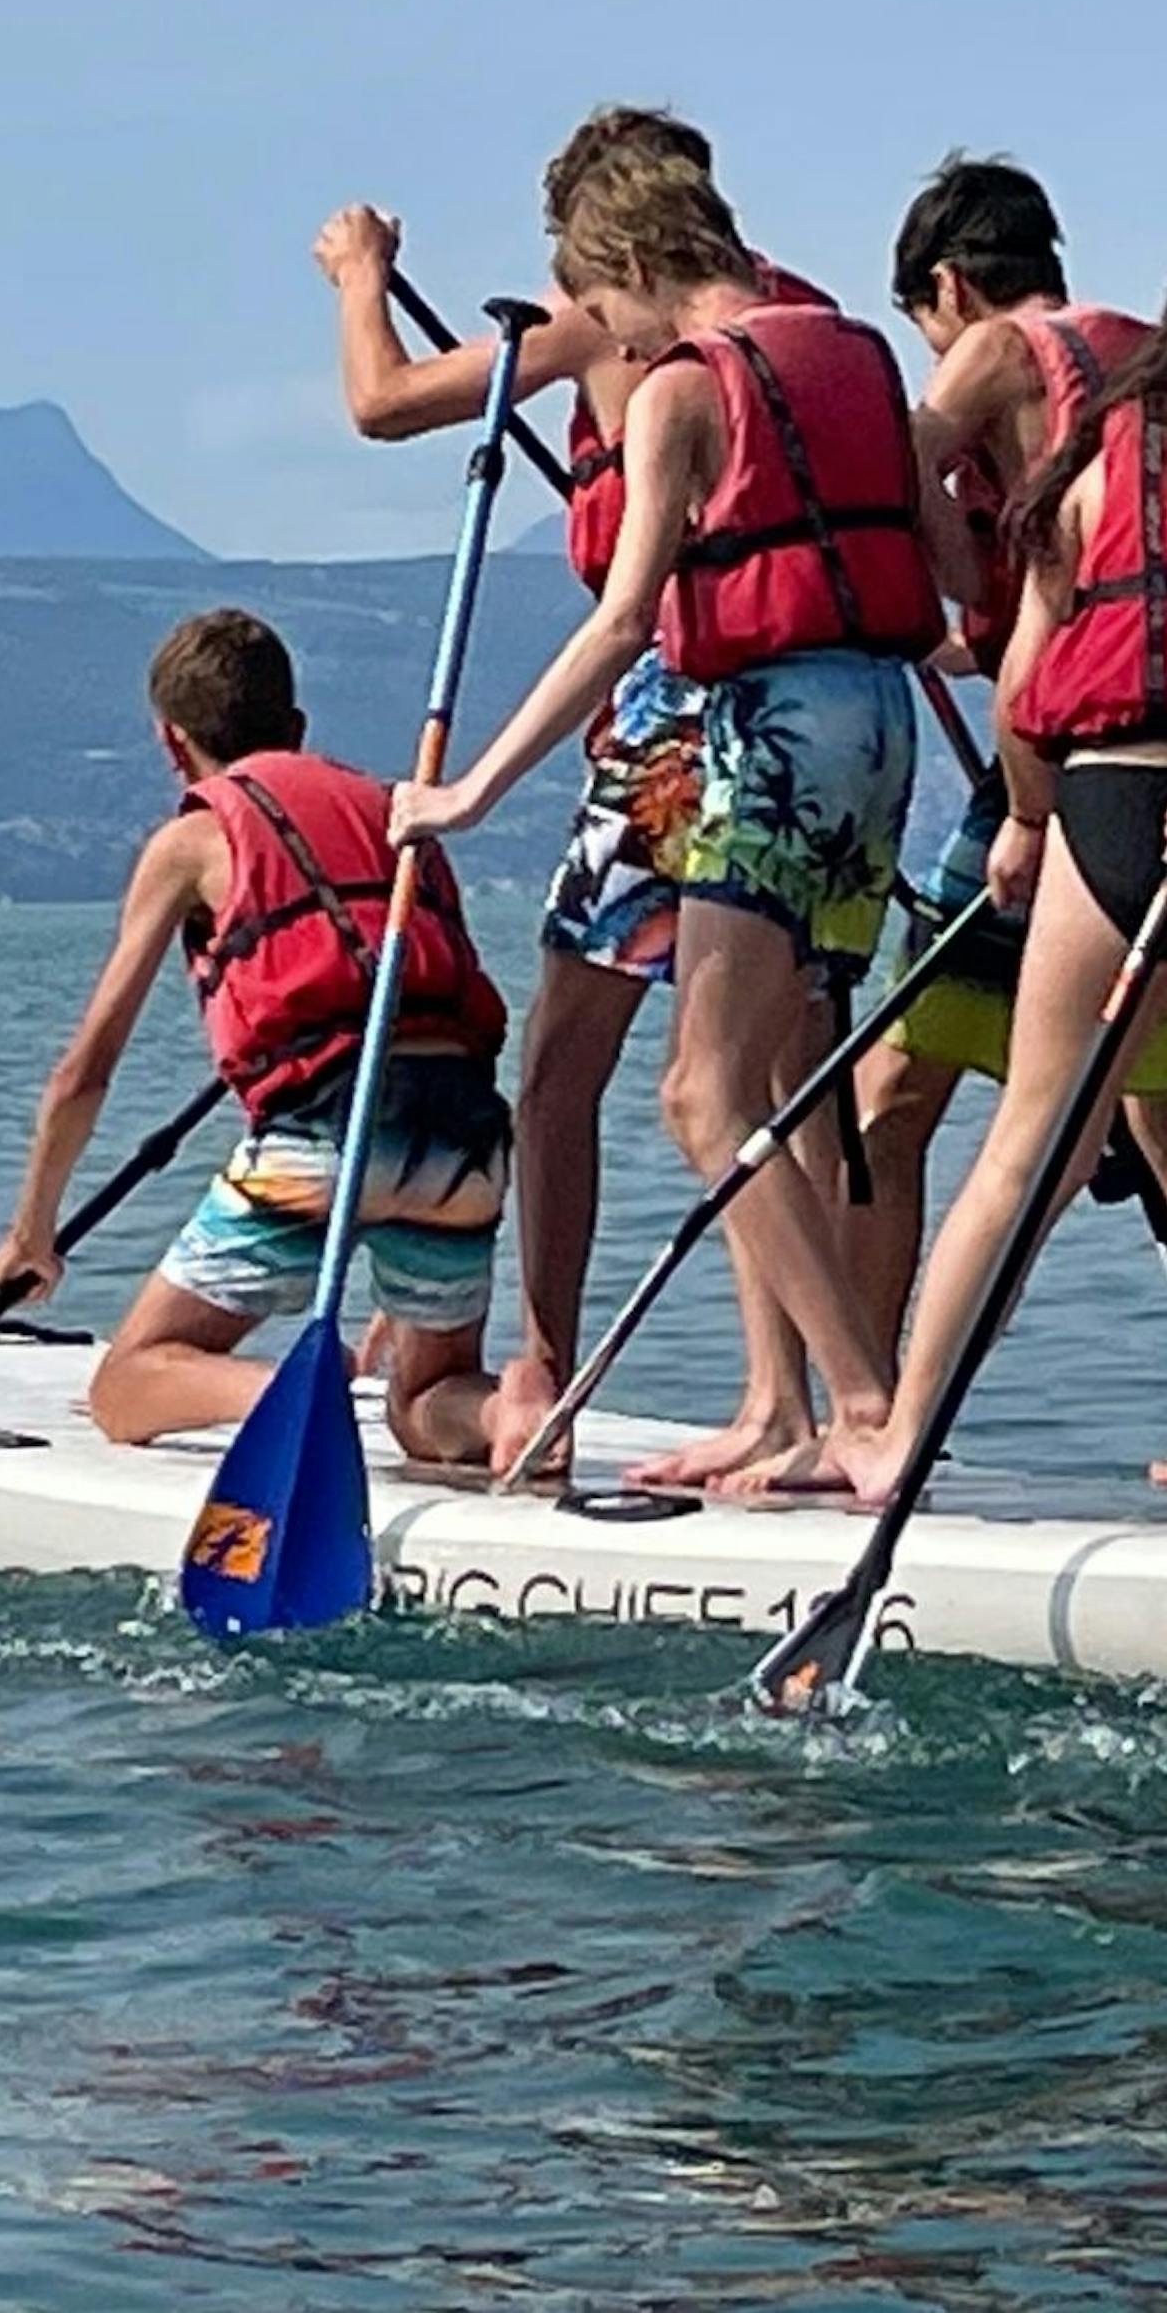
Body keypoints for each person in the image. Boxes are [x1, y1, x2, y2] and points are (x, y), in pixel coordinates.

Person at [817, 199, 1167, 1510]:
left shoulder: (1102, 458)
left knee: (1029, 1141)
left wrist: (1026, 820)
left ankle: (903, 1434)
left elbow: (1029, 687)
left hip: (1120, 812)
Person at [394, 154, 958, 1494]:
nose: (621, 346)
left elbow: (622, 620)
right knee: (767, 1082)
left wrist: (472, 790)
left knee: (701, 1089)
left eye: (609, 311)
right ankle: (790, 1413)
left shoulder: (682, 391)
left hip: (762, 731)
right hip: (874, 728)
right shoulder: (861, 358)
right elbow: (955, 573)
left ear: (638, 270)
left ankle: (865, 1409)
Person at [315, 108, 837, 1469]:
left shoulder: (593, 327)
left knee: (564, 1064)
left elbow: (379, 405)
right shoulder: (796, 321)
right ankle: (777, 1399)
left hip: (671, 716)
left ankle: (540, 1374)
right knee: (757, 1077)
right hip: (804, 724)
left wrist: (361, 275)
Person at [0, 609, 519, 1460]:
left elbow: (84, 1072)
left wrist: (32, 1233)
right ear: (296, 728)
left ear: (172, 743)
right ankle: (507, 1412)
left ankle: (303, 1388)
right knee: (427, 1405)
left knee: (129, 1385)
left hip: (323, 1134)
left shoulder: (192, 840)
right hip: (463, 1139)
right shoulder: (398, 813)